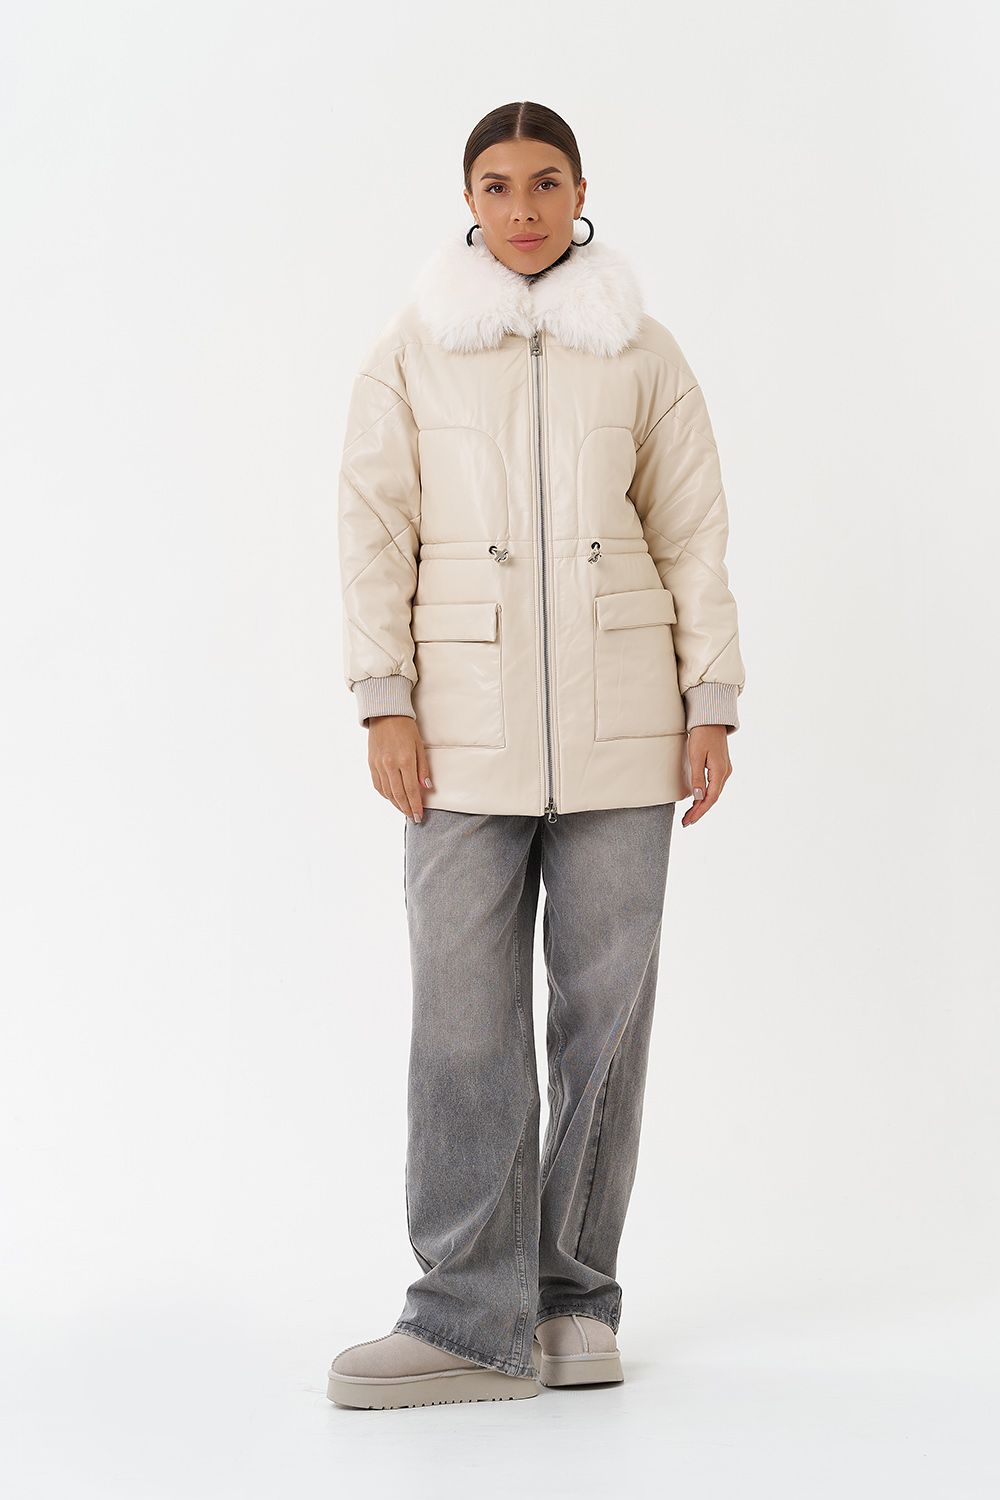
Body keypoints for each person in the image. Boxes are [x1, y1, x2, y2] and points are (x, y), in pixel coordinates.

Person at [327, 101, 745, 1410]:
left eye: (546, 182)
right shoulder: (412, 350)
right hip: (457, 731)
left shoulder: (643, 350)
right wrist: (384, 700)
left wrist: (711, 698)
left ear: (580, 191)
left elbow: (692, 532)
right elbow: (372, 526)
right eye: (498, 184)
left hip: (627, 727)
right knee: (464, 1027)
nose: (523, 208)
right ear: (469, 198)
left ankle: (571, 1306)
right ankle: (465, 1316)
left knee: (603, 1029)